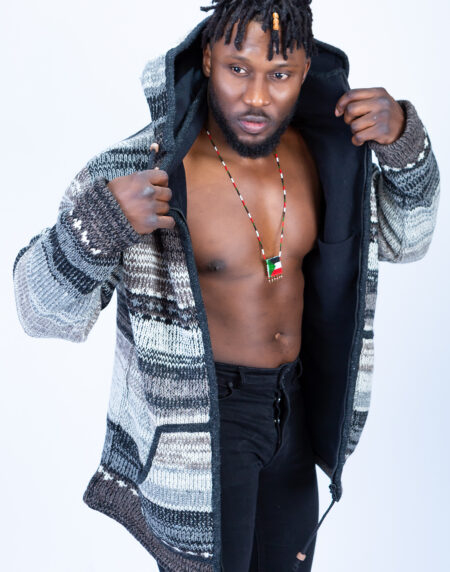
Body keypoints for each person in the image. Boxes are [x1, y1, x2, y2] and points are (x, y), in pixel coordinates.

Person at [12, 1, 440, 571]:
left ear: (305, 70)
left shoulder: (332, 152)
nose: (257, 97)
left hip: (294, 408)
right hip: (201, 423)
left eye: (279, 74)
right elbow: (37, 310)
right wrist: (100, 222)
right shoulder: (146, 168)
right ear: (209, 58)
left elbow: (409, 242)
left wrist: (405, 144)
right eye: (239, 69)